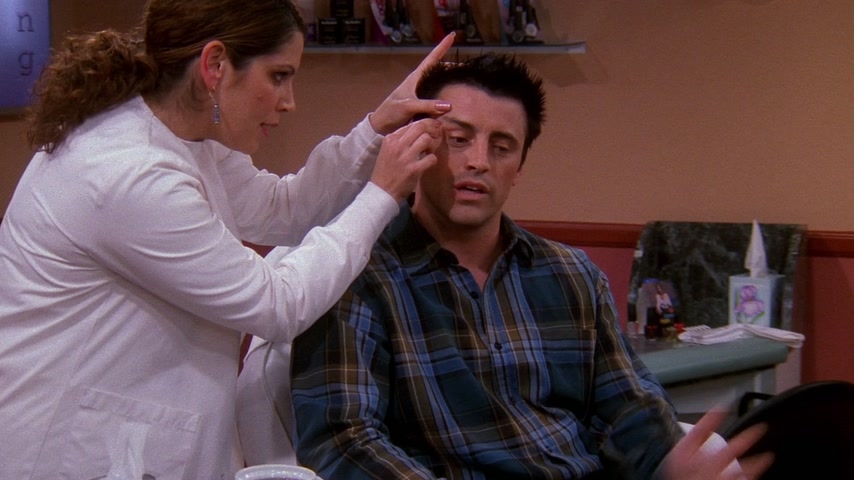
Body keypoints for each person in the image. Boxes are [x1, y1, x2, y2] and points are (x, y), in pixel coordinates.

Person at [0, 0, 458, 477]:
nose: (289, 101)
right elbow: (278, 304)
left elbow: (284, 208)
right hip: (65, 450)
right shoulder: (129, 174)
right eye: (278, 76)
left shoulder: (187, 141)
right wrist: (383, 193)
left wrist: (377, 129)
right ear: (215, 65)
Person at [287, 54, 773, 479]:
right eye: (459, 139)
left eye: (501, 147)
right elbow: (342, 439)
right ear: (419, 144)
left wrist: (667, 461)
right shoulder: (359, 275)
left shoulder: (570, 275)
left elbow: (627, 405)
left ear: (518, 167)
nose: (479, 161)